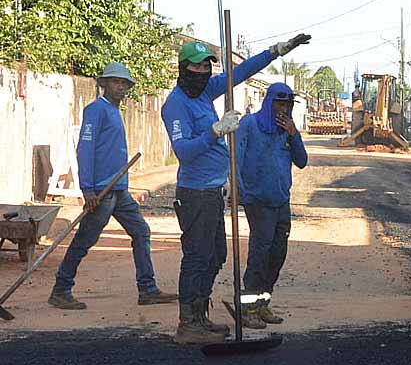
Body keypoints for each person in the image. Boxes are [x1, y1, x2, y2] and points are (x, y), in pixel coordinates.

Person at [161, 34, 310, 345]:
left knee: (216, 255)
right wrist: (215, 132)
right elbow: (184, 152)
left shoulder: (205, 92)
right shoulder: (176, 105)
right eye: (197, 67)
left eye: (207, 67)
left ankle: (200, 316)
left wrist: (274, 52)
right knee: (198, 256)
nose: (203, 73)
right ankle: (188, 323)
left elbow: (240, 73)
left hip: (214, 189)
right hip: (196, 192)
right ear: (183, 68)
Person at [49, 62, 178, 310]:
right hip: (101, 191)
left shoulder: (114, 111)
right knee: (85, 240)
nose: (121, 87)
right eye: (116, 82)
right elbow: (85, 149)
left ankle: (148, 289)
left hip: (118, 190)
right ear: (103, 84)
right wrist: (87, 189)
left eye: (124, 84)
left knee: (141, 232)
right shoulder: (96, 110)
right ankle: (61, 289)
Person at [234, 83, 308, 329]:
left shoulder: (286, 131)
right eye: (279, 103)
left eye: (287, 105)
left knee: (277, 254)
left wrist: (293, 135)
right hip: (258, 200)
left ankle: (263, 303)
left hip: (281, 201)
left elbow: (302, 162)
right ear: (269, 102)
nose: (283, 109)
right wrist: (237, 189)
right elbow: (235, 158)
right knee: (260, 253)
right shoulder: (249, 125)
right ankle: (247, 309)